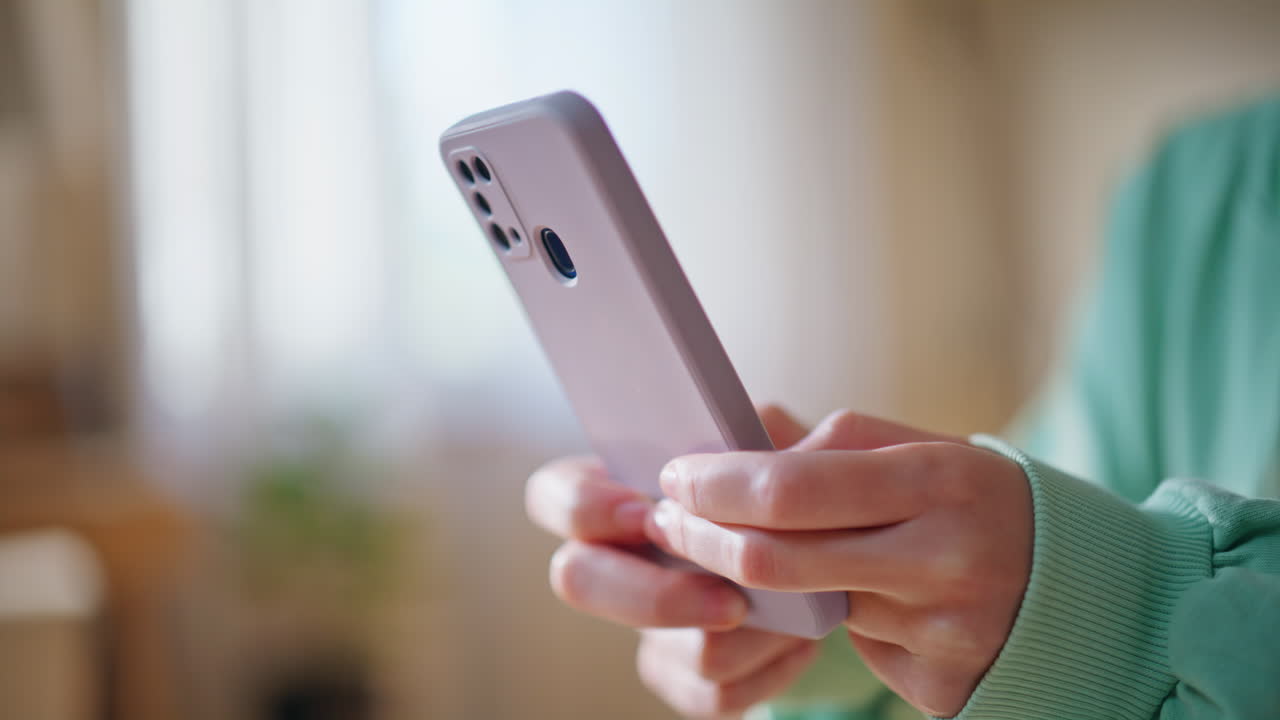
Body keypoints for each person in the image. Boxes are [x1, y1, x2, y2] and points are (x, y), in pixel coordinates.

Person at [523, 96, 1280, 719]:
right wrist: (832, 621)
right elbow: (1091, 497)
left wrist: (1100, 624)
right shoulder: (1199, 185)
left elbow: (1085, 571)